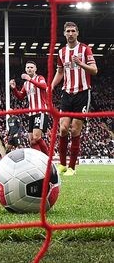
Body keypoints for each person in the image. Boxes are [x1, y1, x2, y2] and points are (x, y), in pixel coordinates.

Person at [51, 21, 97, 176]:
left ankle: (72, 167)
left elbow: (94, 70)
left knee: (75, 130)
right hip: (66, 93)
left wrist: (80, 63)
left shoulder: (85, 49)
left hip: (83, 93)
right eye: (68, 31)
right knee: (63, 128)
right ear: (64, 33)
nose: (70, 34)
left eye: (73, 31)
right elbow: (60, 72)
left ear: (77, 32)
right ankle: (62, 165)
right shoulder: (61, 52)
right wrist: (51, 86)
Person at [9, 61, 50, 155]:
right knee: (32, 141)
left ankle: (48, 158)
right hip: (31, 113)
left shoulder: (40, 78)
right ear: (25, 69)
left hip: (41, 111)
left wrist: (30, 80)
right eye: (27, 67)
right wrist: (14, 88)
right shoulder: (26, 84)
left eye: (31, 67)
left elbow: (44, 86)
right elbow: (20, 96)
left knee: (36, 137)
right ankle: (39, 160)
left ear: (35, 69)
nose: (29, 69)